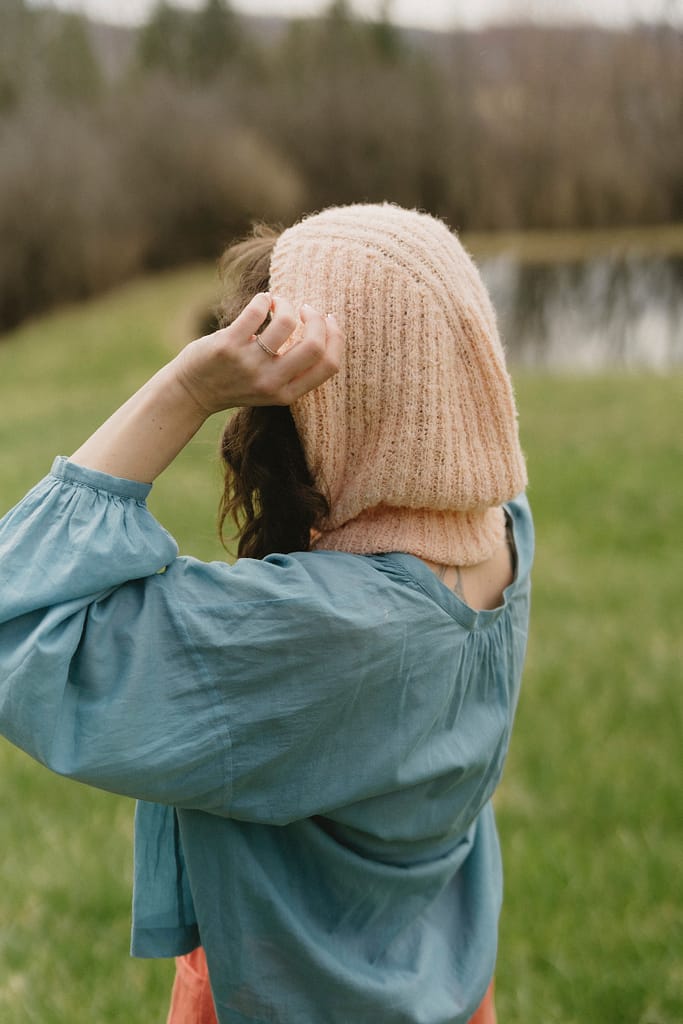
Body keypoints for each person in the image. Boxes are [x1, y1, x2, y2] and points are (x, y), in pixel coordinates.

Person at [0, 203, 532, 1024]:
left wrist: (184, 388)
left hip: (283, 997)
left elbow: (21, 623)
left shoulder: (324, 627)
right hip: (446, 984)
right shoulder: (503, 534)